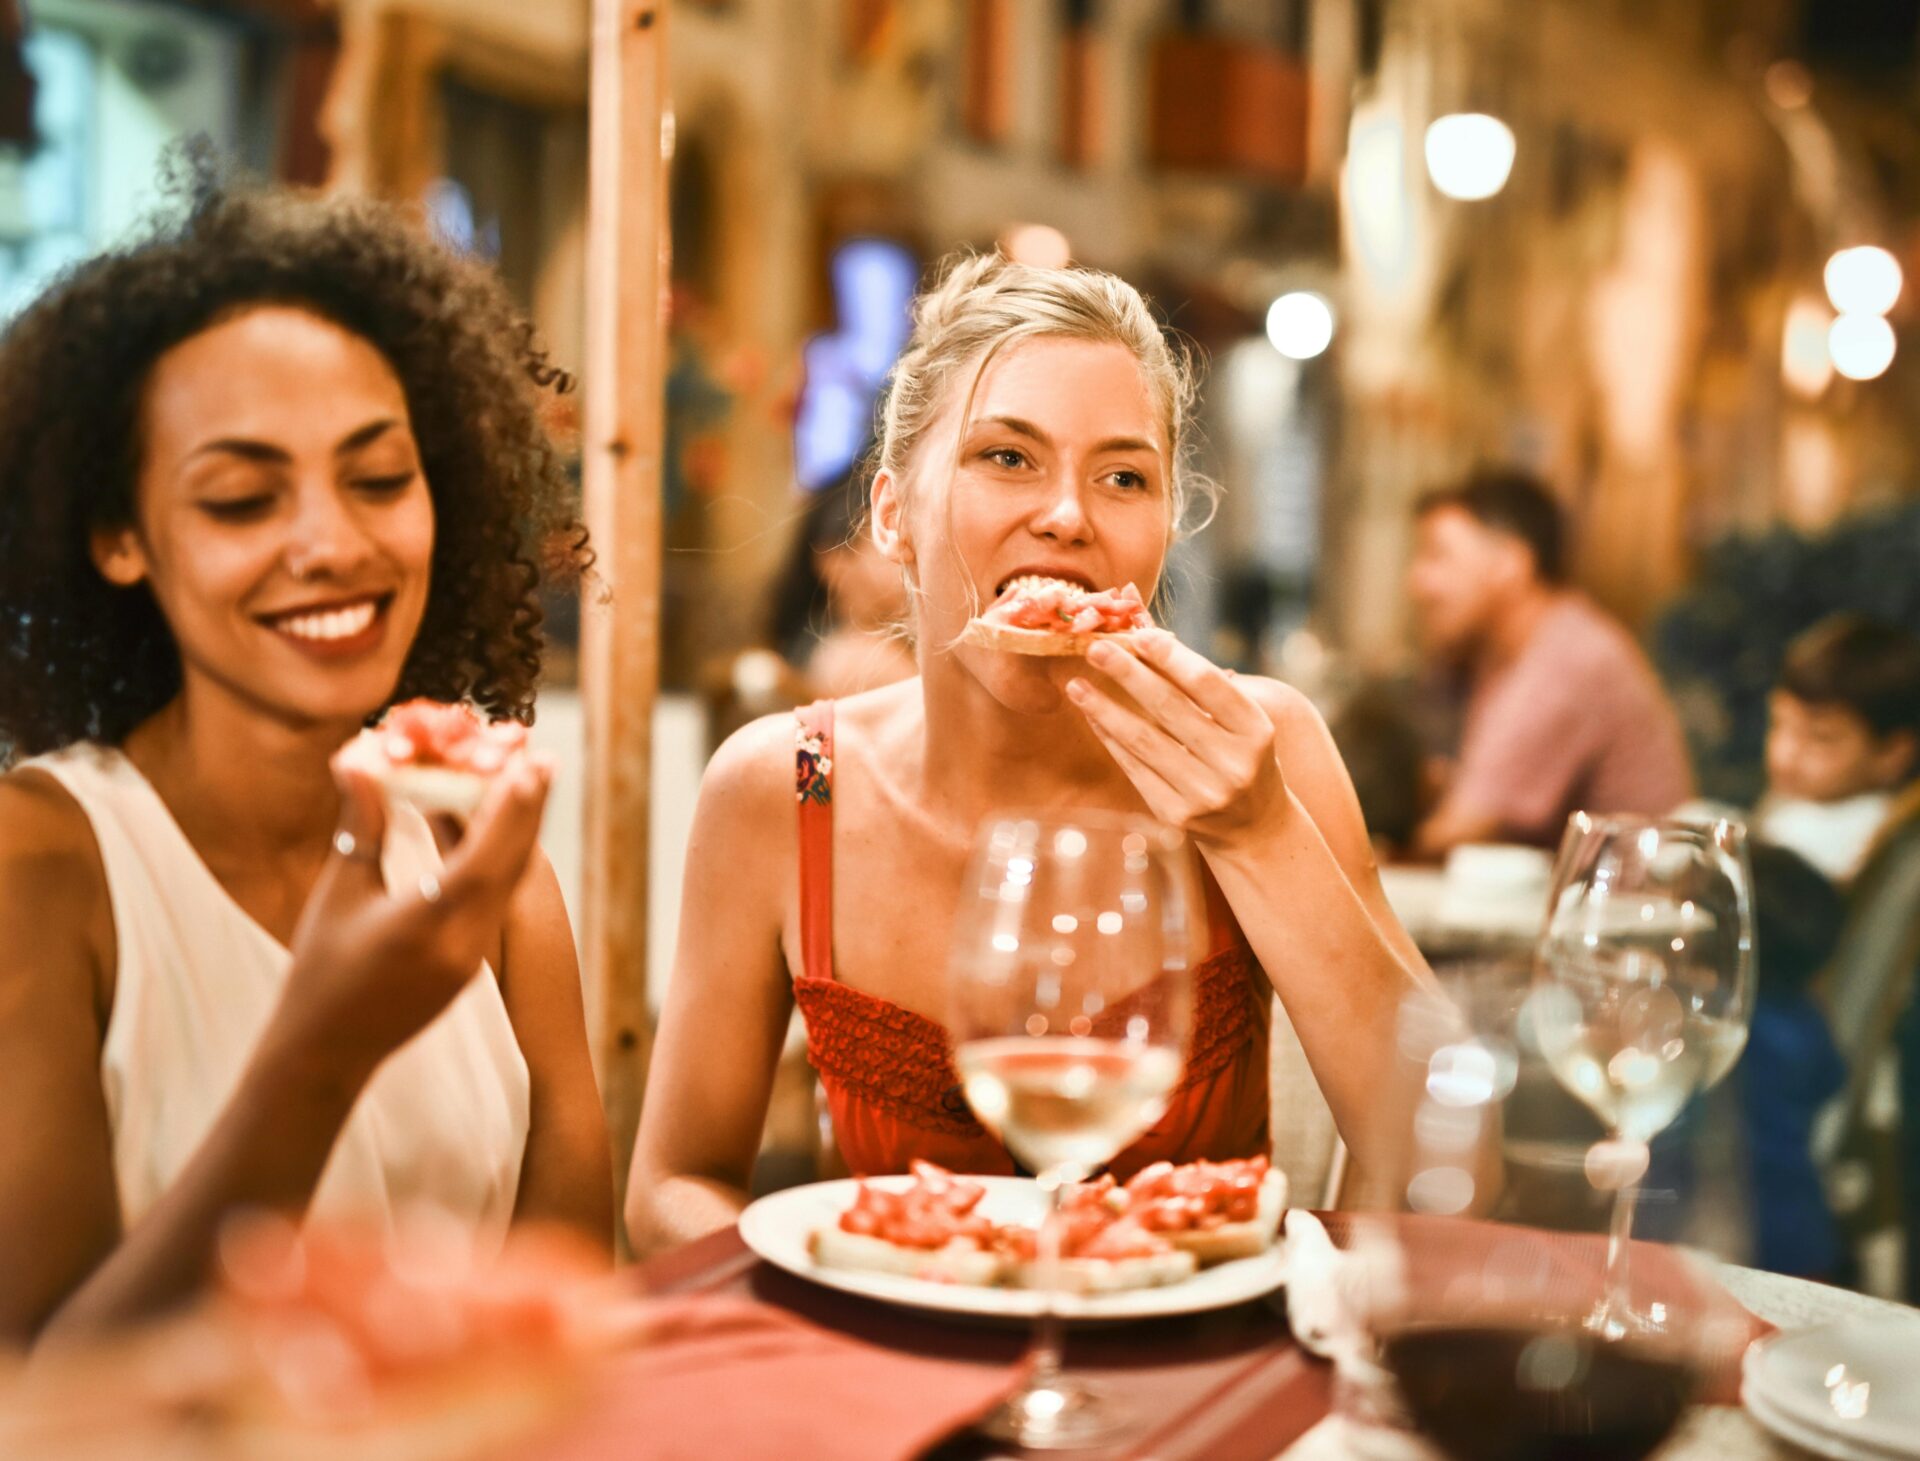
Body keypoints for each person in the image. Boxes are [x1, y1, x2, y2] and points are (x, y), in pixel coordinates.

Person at [627, 253, 1436, 1254]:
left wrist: (1259, 830)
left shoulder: (1267, 748)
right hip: (893, 1373)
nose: (1068, 515)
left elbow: (1447, 1158)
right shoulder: (786, 788)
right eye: (1006, 457)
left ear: (1164, 529)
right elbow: (670, 1184)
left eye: (1124, 477)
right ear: (893, 519)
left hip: (1198, 1382)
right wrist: (816, 1287)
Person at [0, 166, 613, 1344]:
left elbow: (569, 1328)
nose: (331, 543)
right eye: (240, 500)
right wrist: (320, 1053)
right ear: (122, 537)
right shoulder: (47, 866)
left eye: (380, 478)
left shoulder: (491, 875)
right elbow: (43, 1400)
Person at [1405, 467, 1693, 857]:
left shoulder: (1568, 660)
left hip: (1637, 905)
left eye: (1438, 555)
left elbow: (1462, 829)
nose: (1418, 581)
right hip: (1584, 899)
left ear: (1510, 563)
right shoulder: (1505, 653)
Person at [1737, 844, 1848, 1281]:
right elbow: (1832, 1079)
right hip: (1806, 1231)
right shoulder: (1806, 1016)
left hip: (1741, 1238)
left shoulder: (1723, 1029)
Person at [1755, 614, 1920, 884]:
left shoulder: (1868, 840)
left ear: (1893, 753)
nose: (1786, 755)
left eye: (1820, 738)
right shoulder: (1798, 799)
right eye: (1779, 724)